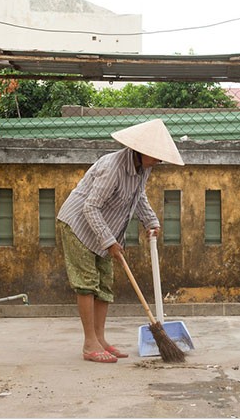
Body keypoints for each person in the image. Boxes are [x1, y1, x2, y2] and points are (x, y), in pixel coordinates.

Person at [57, 119, 184, 363]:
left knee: (105, 285)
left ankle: (100, 338)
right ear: (142, 151)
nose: (159, 162)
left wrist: (151, 222)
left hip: (105, 231)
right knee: (87, 284)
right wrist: (109, 242)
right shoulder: (113, 168)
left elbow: (139, 196)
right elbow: (90, 207)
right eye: (156, 156)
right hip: (79, 226)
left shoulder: (143, 168)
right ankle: (89, 344)